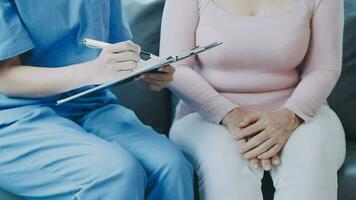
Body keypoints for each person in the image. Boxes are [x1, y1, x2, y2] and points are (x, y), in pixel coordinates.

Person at [0, 1, 194, 200]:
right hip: (16, 115)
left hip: (91, 106)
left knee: (171, 165)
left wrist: (143, 70)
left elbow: (112, 54)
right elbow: (6, 78)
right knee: (115, 173)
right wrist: (94, 71)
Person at [161, 0, 346, 199]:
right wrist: (229, 114)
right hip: (206, 116)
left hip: (299, 112)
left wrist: (289, 116)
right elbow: (175, 68)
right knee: (226, 171)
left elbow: (324, 68)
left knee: (310, 167)